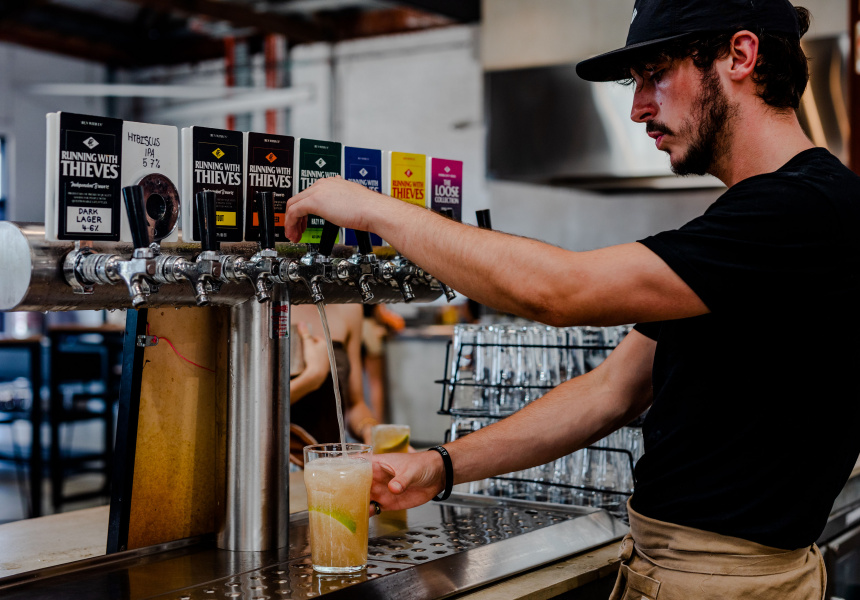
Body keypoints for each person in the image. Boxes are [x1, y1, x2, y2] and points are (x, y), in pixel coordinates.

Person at [284, 1, 860, 597]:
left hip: (720, 582)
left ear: (740, 55)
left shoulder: (805, 211)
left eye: (655, 74)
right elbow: (609, 391)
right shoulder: (760, 216)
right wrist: (440, 466)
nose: (638, 107)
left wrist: (374, 209)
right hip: (681, 566)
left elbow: (560, 292)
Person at [289, 304, 381, 464]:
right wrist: (312, 378)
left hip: (331, 460)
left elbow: (356, 404)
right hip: (273, 462)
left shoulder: (349, 306)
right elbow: (248, 409)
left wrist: (368, 429)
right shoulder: (260, 301)